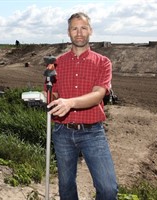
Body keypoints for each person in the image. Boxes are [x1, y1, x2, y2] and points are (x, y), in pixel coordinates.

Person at [45, 12, 118, 200]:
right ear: (68, 32)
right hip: (62, 131)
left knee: (108, 189)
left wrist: (70, 102)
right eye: (74, 28)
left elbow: (98, 95)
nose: (79, 33)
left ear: (90, 31)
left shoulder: (102, 62)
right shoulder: (57, 64)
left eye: (83, 28)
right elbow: (53, 96)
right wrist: (44, 95)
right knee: (66, 186)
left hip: (92, 132)